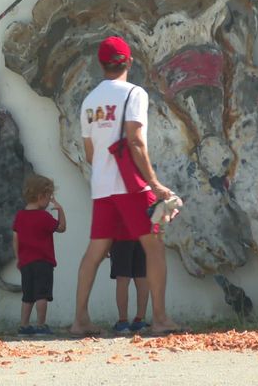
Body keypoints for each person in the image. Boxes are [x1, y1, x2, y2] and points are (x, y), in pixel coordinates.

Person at [69, 36, 183, 336]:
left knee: (94, 252)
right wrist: (155, 184)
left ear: (101, 64)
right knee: (154, 248)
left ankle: (79, 320)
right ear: (129, 61)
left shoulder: (89, 101)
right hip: (132, 187)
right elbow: (134, 140)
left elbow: (91, 154)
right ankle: (159, 318)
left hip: (102, 187)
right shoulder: (135, 94)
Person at [12, 174, 66, 336]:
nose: (49, 201)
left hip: (26, 263)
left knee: (28, 296)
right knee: (42, 295)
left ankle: (24, 326)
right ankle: (41, 325)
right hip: (43, 262)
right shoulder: (44, 217)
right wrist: (60, 210)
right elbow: (62, 228)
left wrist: (18, 258)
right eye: (49, 197)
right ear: (41, 196)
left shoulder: (20, 216)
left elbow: (16, 238)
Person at [109, 240, 150, 333]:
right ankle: (140, 320)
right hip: (142, 234)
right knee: (142, 276)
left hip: (122, 234)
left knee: (122, 277)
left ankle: (123, 322)